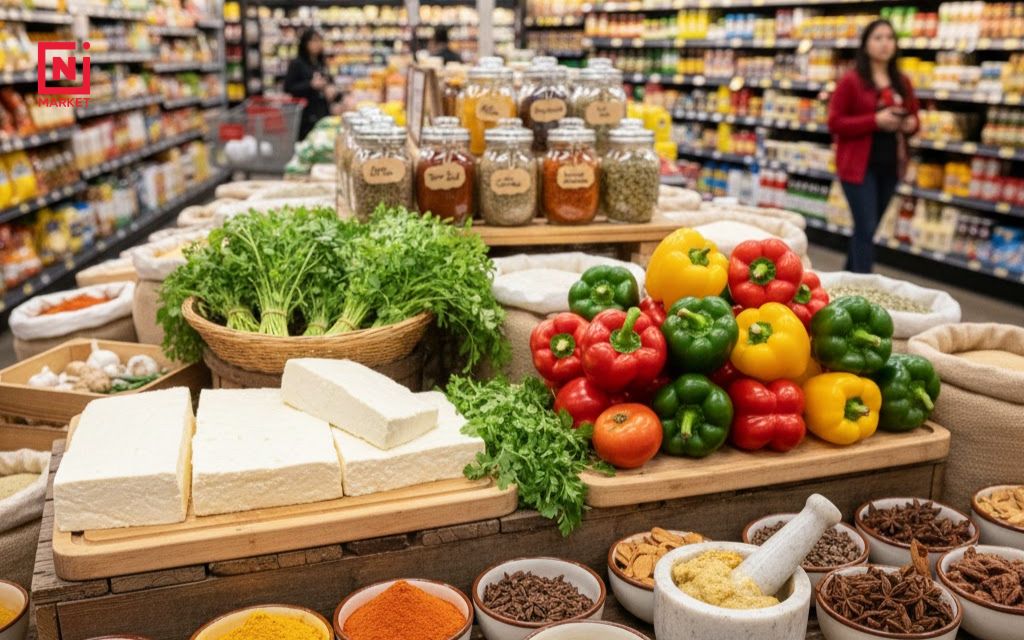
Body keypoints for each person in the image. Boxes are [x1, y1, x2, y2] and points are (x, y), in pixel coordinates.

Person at [828, 19, 919, 273]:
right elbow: (835, 122)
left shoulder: (902, 81)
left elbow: (915, 118)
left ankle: (847, 281)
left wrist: (909, 124)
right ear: (866, 44)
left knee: (867, 230)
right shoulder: (852, 81)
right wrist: (875, 120)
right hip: (858, 167)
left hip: (890, 165)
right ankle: (863, 288)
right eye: (877, 38)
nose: (884, 43)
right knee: (866, 228)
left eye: (889, 37)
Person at [284, 29, 334, 139]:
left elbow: (328, 80)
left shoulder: (321, 62)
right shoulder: (297, 63)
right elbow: (288, 87)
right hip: (305, 114)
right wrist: (310, 85)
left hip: (322, 110)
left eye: (319, 41)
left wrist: (330, 88)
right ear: (305, 43)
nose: (318, 44)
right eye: (314, 41)